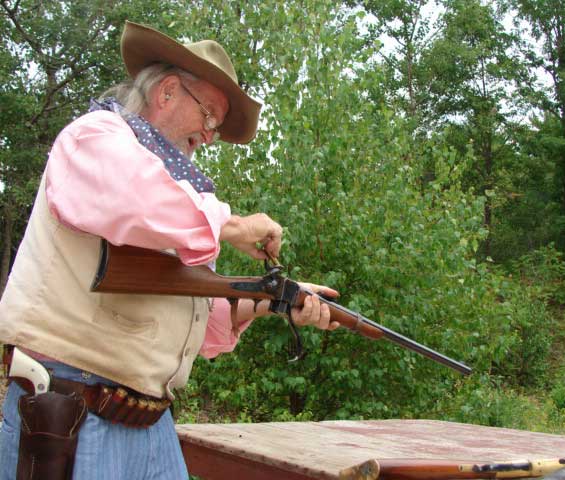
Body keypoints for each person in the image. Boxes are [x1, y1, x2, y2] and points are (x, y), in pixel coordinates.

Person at [0, 21, 338, 479]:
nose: (212, 135)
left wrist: (277, 302)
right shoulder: (95, 137)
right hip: (70, 410)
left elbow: (192, 322)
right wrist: (231, 224)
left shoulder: (180, 199)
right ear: (168, 93)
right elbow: (136, 199)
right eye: (210, 116)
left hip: (150, 425)